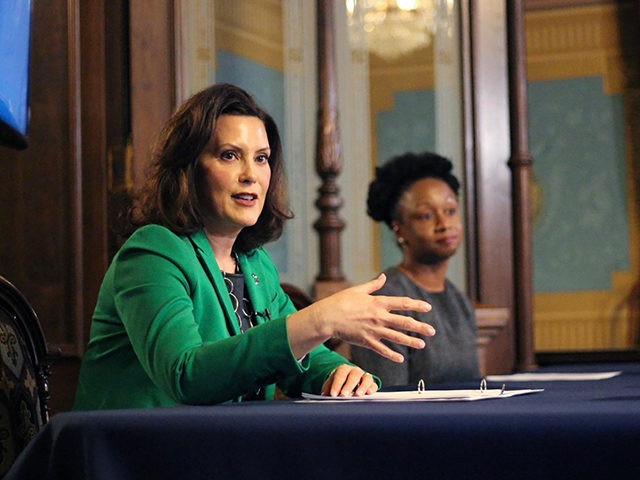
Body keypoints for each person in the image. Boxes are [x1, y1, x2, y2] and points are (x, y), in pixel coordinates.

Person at [73, 84, 436, 410]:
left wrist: (342, 373)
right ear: (189, 168)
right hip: (140, 457)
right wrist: (318, 319)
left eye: (261, 158)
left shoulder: (253, 263)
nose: (251, 173)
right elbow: (186, 376)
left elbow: (298, 361)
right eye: (230, 155)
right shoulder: (153, 252)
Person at [350, 152, 480, 386]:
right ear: (400, 229)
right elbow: (385, 399)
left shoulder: (458, 299)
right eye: (426, 215)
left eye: (450, 211)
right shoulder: (386, 299)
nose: (444, 224)